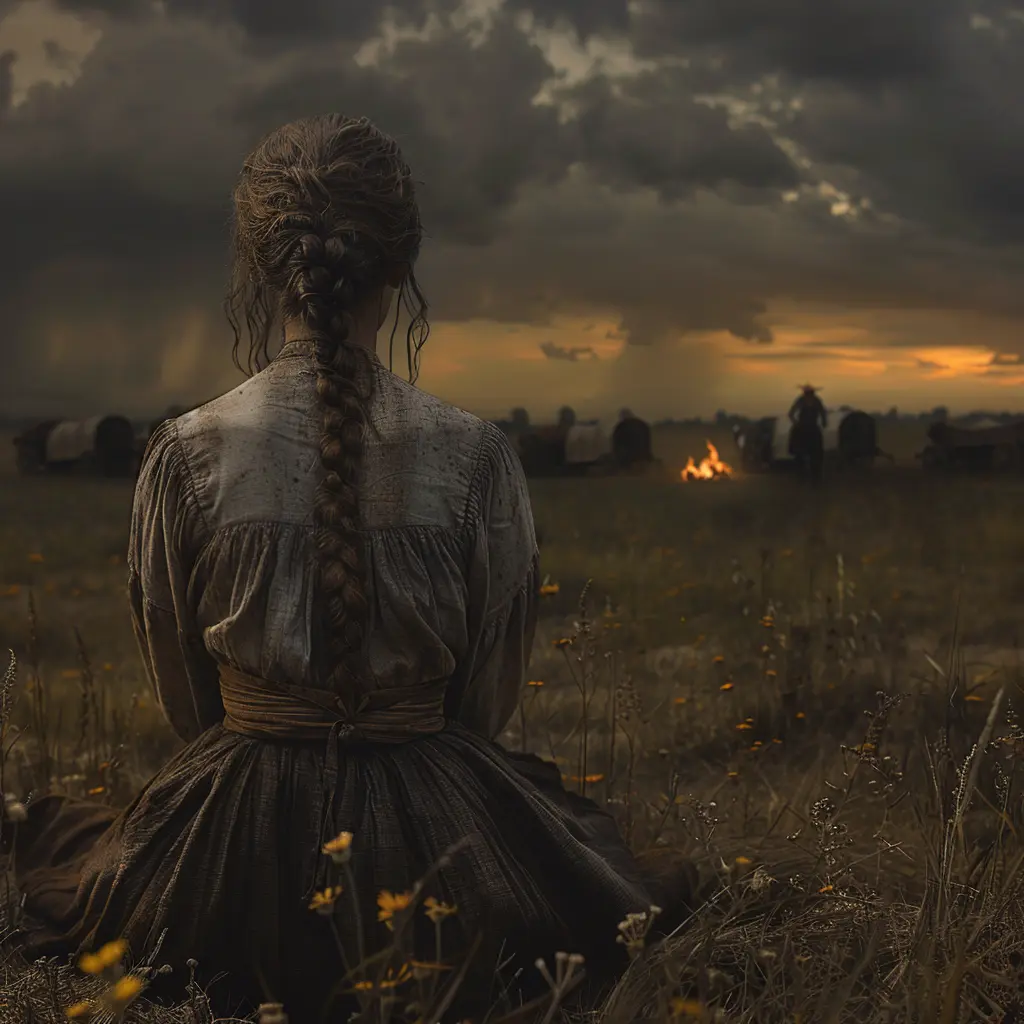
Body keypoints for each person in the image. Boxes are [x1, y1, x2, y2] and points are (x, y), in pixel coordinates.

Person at [8, 115, 656, 1022]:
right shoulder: (475, 455)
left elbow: (182, 687)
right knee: (582, 859)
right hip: (439, 814)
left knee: (76, 856)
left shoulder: (185, 452)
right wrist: (441, 780)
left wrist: (242, 762)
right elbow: (488, 691)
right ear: (399, 265)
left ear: (260, 265)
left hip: (237, 827)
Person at [788, 384, 827, 481]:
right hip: (809, 426)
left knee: (810, 453)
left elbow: (791, 414)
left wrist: (795, 422)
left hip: (805, 426)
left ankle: (809, 475)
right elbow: (823, 414)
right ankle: (810, 475)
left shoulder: (803, 400)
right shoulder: (815, 400)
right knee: (814, 452)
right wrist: (823, 422)